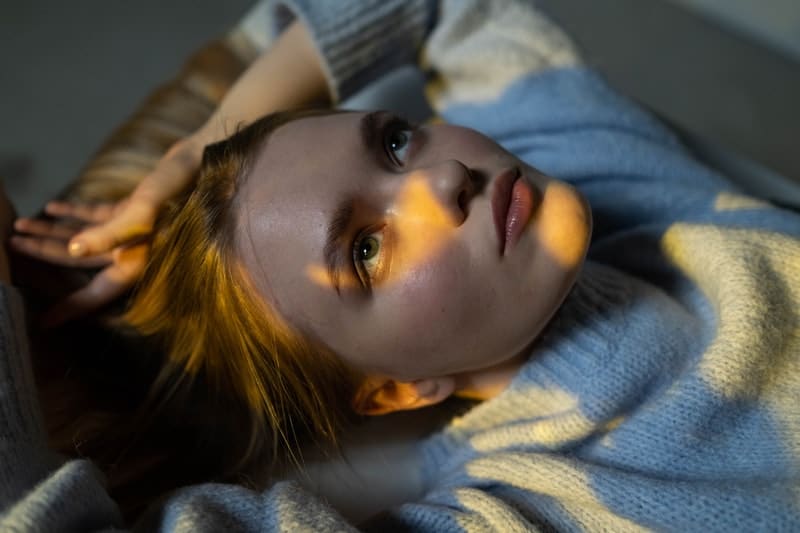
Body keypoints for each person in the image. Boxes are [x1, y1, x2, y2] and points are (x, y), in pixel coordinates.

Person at [4, 0, 800, 530]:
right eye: (365, 250)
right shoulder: (525, 501)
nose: (439, 178)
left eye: (392, 142)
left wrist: (196, 149)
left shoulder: (569, 142)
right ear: (390, 389)